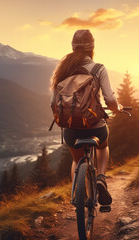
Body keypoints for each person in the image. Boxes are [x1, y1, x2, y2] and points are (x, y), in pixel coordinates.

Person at [50, 29, 123, 205]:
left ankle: (77, 192)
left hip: (71, 129)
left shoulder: (63, 70)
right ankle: (100, 178)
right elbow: (110, 99)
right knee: (103, 146)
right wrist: (117, 108)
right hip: (95, 126)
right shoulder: (99, 69)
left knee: (76, 160)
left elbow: (53, 102)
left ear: (73, 47)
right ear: (92, 48)